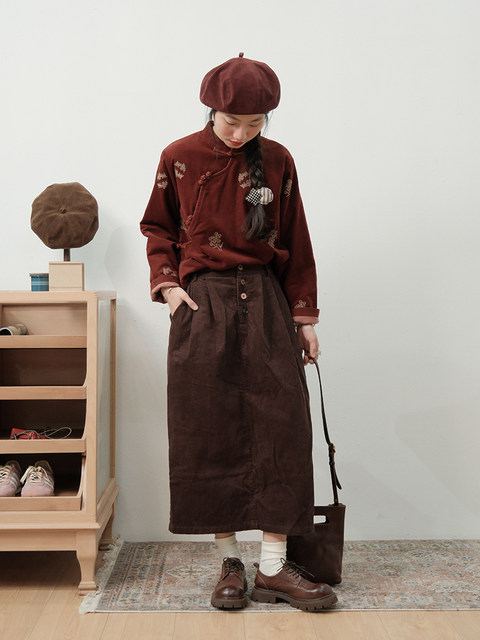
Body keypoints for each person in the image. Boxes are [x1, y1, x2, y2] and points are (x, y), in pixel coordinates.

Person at [140, 53, 337, 611]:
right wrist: (170, 289)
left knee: (284, 426)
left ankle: (272, 567)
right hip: (202, 304)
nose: (241, 133)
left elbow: (295, 237)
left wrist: (304, 318)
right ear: (211, 109)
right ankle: (229, 562)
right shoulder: (178, 156)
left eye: (254, 124)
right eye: (232, 122)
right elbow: (157, 226)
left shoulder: (278, 160)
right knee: (207, 427)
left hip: (267, 302)